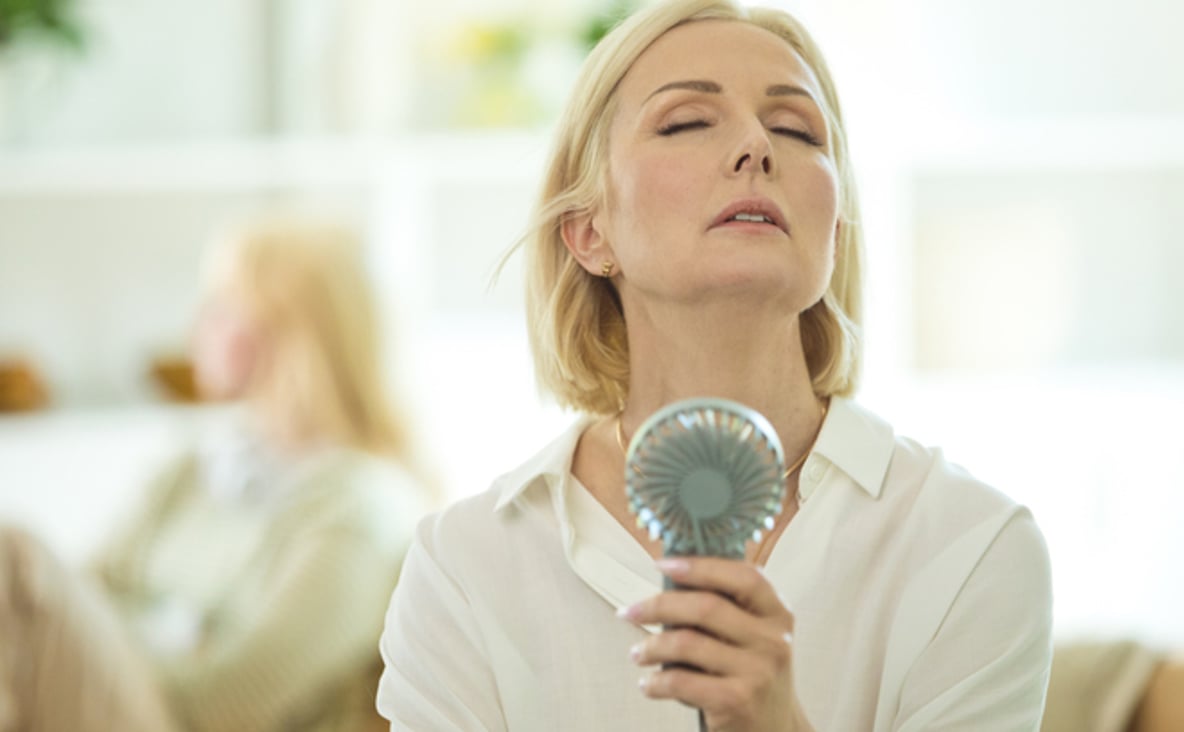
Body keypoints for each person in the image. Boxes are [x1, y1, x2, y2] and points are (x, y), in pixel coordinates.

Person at [377, 0, 1053, 729]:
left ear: (836, 224)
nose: (757, 146)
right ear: (586, 231)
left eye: (797, 130)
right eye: (687, 122)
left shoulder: (970, 546)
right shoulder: (466, 571)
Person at [0, 215, 430, 732]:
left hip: (189, 722)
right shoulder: (195, 469)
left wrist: (123, 634)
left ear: (289, 330)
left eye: (223, 305)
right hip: (141, 703)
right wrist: (174, 635)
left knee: (15, 561)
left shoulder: (360, 510)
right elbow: (83, 596)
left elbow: (223, 706)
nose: (197, 324)